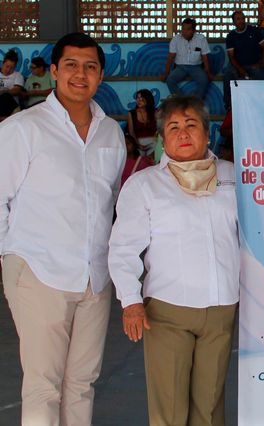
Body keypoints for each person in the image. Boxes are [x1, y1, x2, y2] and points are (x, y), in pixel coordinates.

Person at [0, 32, 126, 425]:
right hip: (39, 271)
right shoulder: (24, 128)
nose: (80, 74)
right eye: (71, 65)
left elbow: (110, 201)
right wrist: (8, 257)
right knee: (44, 385)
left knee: (82, 384)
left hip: (94, 277)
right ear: (54, 71)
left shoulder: (111, 132)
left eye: (90, 67)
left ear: (100, 76)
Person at [108, 95, 239, 426]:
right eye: (174, 127)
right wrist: (130, 301)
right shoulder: (145, 184)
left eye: (191, 125)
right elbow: (123, 247)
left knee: (210, 409)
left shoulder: (234, 177)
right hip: (167, 311)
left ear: (206, 133)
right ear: (162, 138)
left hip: (221, 308)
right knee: (170, 410)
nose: (183, 133)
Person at [223, 10, 264, 111]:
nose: (241, 21)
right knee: (227, 75)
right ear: (234, 22)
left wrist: (261, 63)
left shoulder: (254, 31)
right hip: (237, 65)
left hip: (253, 65)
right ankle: (229, 105)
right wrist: (241, 71)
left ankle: (263, 104)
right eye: (238, 19)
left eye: (243, 18)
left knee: (262, 76)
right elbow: (231, 57)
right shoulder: (231, 36)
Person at [162, 18, 214, 100]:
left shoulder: (201, 39)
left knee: (204, 80)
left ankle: (195, 102)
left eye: (188, 29)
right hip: (180, 67)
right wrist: (166, 73)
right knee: (170, 80)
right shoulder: (176, 39)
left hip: (196, 67)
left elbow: (205, 56)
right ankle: (182, 101)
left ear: (194, 30)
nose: (184, 32)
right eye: (183, 29)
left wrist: (208, 72)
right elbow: (171, 57)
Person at [127, 88, 158, 158]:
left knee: (153, 159)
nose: (139, 100)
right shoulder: (132, 113)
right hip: (138, 142)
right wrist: (138, 145)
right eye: (137, 98)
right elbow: (131, 132)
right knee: (139, 160)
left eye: (141, 98)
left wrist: (155, 141)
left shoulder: (155, 112)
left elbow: (159, 130)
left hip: (153, 142)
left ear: (148, 99)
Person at [0, 49, 24, 118]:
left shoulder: (18, 75)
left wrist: (4, 91)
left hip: (10, 108)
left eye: (12, 68)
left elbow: (17, 90)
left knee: (5, 95)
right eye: (7, 66)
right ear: (3, 63)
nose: (8, 70)